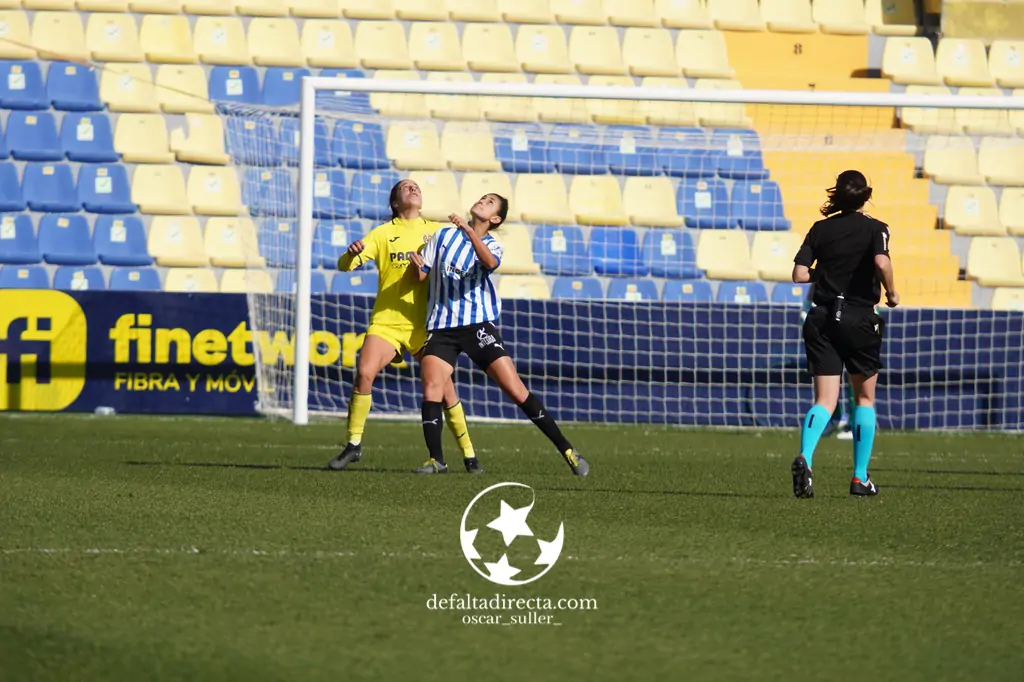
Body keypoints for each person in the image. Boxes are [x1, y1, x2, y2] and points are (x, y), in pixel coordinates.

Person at [407, 193, 589, 476]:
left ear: (495, 219)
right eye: (482, 197)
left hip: (477, 326)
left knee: (516, 390)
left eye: (489, 202)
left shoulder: (492, 244)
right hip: (442, 327)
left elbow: (490, 263)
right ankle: (436, 460)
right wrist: (414, 265)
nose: (482, 201)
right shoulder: (442, 236)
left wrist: (469, 232)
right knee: (432, 388)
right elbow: (421, 276)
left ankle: (567, 450)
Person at [327, 179, 481, 473]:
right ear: (395, 203)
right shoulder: (383, 234)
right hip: (388, 321)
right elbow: (344, 266)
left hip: (427, 324)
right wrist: (350, 253)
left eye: (416, 187)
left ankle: (469, 455)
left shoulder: (436, 231)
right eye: (405, 187)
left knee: (446, 390)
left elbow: (467, 254)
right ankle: (354, 445)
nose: (413, 188)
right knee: (364, 373)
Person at [790, 170, 898, 498]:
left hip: (821, 317)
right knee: (863, 398)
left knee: (824, 399)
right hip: (859, 318)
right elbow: (881, 262)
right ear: (865, 195)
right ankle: (859, 478)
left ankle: (805, 456)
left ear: (837, 195)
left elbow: (798, 274)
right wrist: (891, 293)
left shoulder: (820, 228)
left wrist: (827, 273)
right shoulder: (876, 228)